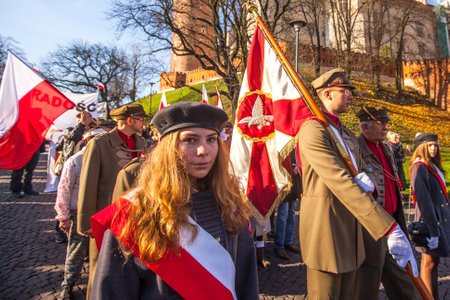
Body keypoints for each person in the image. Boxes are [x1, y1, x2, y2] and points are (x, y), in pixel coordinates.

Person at [90, 102, 258, 299]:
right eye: (190, 140)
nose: (203, 150)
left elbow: (246, 283)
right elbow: (112, 291)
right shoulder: (135, 213)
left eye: (211, 139)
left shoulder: (231, 203)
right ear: (169, 148)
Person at [297, 68, 417, 299]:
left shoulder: (346, 135)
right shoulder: (313, 130)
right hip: (327, 228)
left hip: (354, 232)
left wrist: (368, 181)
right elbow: (338, 180)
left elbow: (364, 173)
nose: (351, 95)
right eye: (345, 90)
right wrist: (387, 226)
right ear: (327, 94)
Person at [77, 103, 147, 299]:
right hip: (106, 216)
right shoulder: (99, 144)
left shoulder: (141, 143)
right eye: (141, 119)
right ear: (130, 120)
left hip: (134, 215)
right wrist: (86, 221)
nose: (144, 124)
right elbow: (88, 182)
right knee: (100, 267)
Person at [354, 105, 419, 299]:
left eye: (386, 123)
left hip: (392, 223)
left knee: (405, 285)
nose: (385, 127)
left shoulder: (385, 148)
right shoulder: (355, 149)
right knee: (367, 285)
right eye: (380, 123)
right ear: (365, 127)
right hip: (371, 227)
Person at [54, 128, 105, 299]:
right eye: (95, 138)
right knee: (76, 252)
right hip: (78, 214)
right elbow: (64, 191)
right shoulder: (75, 161)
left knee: (101, 253)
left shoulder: (104, 159)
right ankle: (68, 286)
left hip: (101, 215)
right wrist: (63, 216)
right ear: (87, 140)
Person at [410, 132, 449, 299]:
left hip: (439, 218)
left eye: (435, 145)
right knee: (429, 263)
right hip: (430, 220)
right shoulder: (420, 167)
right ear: (421, 147)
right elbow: (423, 201)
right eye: (429, 145)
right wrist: (432, 231)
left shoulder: (431, 165)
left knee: (434, 262)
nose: (433, 148)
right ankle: (430, 297)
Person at [274, 151, 301, 259]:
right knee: (283, 214)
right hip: (283, 178)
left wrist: (299, 166)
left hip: (294, 180)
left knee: (291, 212)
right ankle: (279, 245)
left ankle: (288, 241)